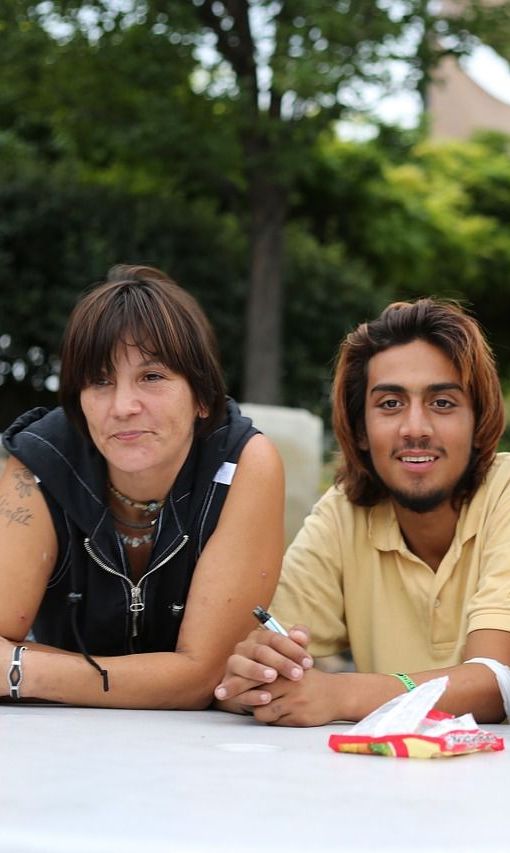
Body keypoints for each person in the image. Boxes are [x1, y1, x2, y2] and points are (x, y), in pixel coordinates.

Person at [215, 298, 510, 725]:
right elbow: (239, 670)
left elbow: (495, 683)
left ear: (477, 423)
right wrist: (257, 675)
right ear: (361, 430)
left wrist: (339, 694)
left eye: (442, 403)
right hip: (392, 781)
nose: (415, 428)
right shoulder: (344, 513)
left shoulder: (505, 492)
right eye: (390, 404)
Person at [0, 264, 284, 708]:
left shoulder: (244, 462)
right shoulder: (36, 462)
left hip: (200, 757)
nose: (124, 406)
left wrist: (20, 669)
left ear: (203, 396)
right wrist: (159, 679)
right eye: (100, 381)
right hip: (53, 742)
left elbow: (201, 677)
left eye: (152, 377)